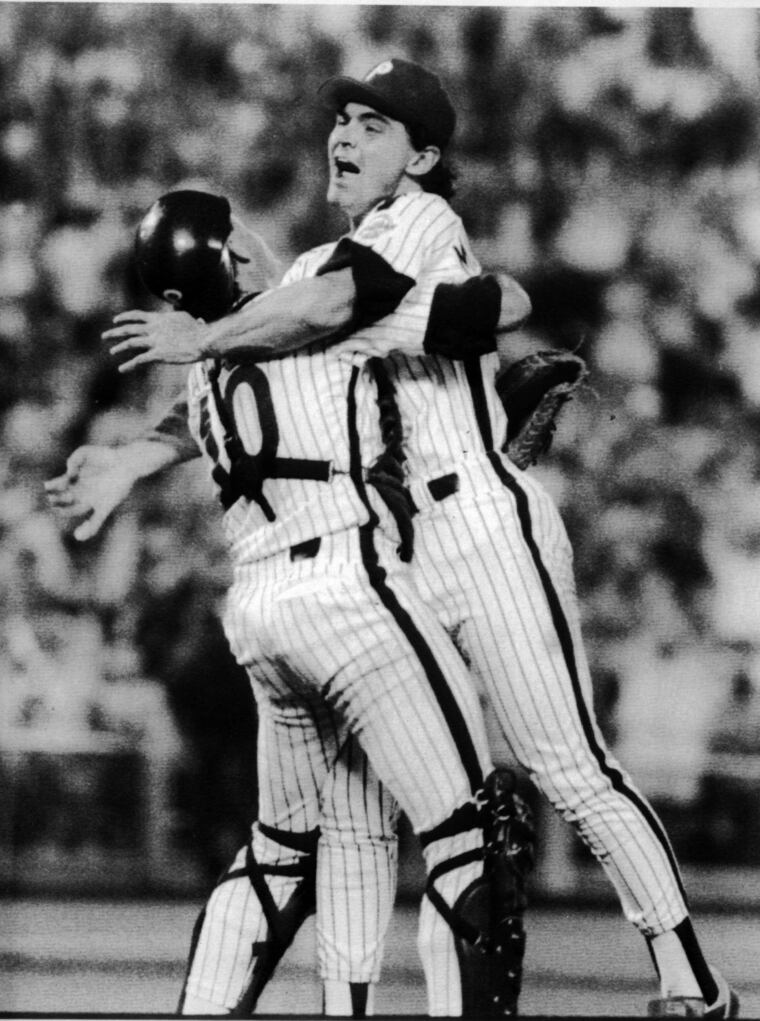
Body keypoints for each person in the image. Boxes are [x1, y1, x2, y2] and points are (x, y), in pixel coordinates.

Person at [99, 56, 740, 1020]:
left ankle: (690, 980)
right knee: (377, 810)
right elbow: (414, 318)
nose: (346, 135)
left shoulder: (416, 222)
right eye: (345, 117)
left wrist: (231, 331)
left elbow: (369, 309)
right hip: (393, 551)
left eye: (376, 125)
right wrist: (145, 448)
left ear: (424, 156)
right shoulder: (316, 274)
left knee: (564, 766)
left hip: (476, 520)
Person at [54, 94, 534, 1018]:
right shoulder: (314, 279)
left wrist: (128, 459)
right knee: (472, 836)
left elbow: (204, 402)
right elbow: (498, 302)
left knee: (279, 849)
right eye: (243, 231)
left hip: (265, 619)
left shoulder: (208, 366)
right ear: (234, 254)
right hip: (350, 593)